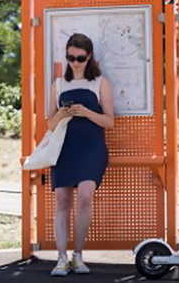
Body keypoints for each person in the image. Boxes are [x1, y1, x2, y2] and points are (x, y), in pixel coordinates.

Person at [46, 33, 114, 277]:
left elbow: (109, 121)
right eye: (70, 57)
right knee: (62, 200)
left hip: (91, 148)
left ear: (89, 57)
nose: (74, 62)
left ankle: (78, 254)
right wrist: (62, 114)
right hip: (64, 148)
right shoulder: (58, 85)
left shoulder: (100, 83)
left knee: (85, 194)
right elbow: (50, 124)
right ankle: (61, 258)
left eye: (80, 58)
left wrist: (86, 112)